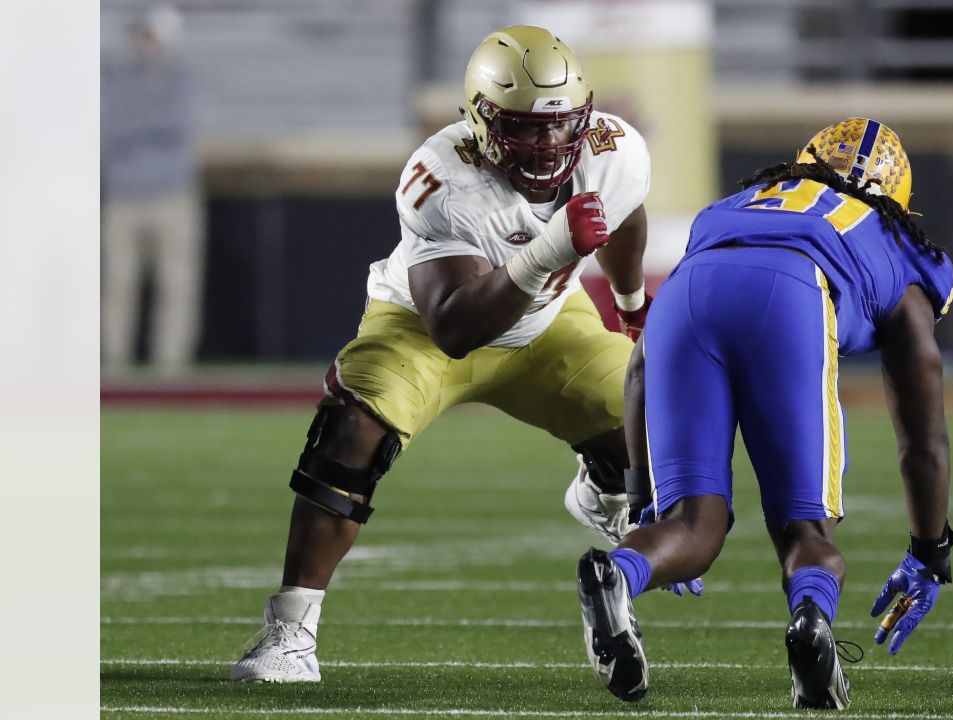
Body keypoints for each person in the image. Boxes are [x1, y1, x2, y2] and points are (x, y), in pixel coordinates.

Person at [229, 25, 690, 683]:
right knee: (351, 430)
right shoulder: (441, 175)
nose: (550, 144)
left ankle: (601, 485)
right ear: (480, 124)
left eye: (561, 125)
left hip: (549, 325)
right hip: (423, 327)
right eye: (526, 128)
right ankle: (289, 633)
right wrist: (549, 249)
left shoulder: (614, 149)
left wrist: (629, 300)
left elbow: (627, 212)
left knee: (656, 414)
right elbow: (456, 324)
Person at [574, 118, 953, 708]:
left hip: (686, 297)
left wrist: (642, 503)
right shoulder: (895, 241)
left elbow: (641, 366)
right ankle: (810, 625)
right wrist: (929, 551)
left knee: (690, 526)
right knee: (807, 532)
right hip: (791, 294)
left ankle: (619, 576)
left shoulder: (740, 203)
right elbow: (922, 432)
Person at [101, 4, 203, 373]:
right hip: (125, 193)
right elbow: (112, 126)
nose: (145, 43)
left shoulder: (182, 78)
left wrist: (135, 130)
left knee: (175, 282)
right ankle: (115, 362)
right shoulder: (116, 77)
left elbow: (175, 124)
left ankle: (170, 366)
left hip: (171, 193)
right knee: (118, 281)